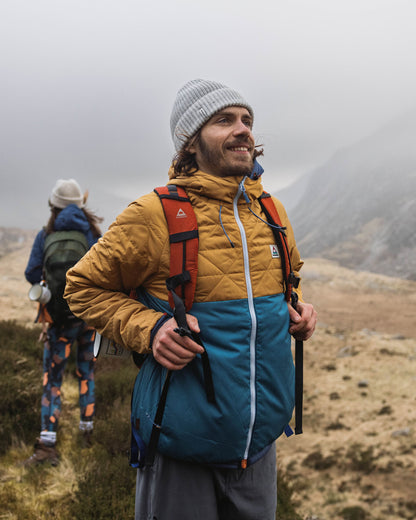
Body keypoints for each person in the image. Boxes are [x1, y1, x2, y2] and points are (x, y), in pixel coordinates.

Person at [64, 79, 317, 519]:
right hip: (181, 445)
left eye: (247, 120)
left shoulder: (271, 212)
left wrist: (297, 311)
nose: (243, 129)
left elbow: (286, 288)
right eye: (224, 120)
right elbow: (82, 288)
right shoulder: (153, 214)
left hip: (259, 447)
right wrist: (151, 328)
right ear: (191, 142)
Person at [24, 179, 102, 466]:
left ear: (53, 207)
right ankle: (87, 436)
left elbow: (31, 273)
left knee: (52, 379)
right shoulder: (92, 233)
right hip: (89, 319)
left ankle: (47, 446)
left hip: (57, 320)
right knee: (86, 374)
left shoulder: (46, 235)